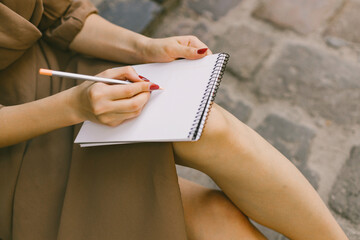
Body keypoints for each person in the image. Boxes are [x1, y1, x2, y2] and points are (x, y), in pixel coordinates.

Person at [0, 0, 348, 239]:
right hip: (16, 144)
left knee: (209, 127)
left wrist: (145, 48)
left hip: (55, 75)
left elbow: (61, 14)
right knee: (215, 217)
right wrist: (74, 107)